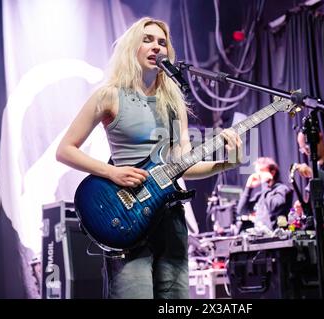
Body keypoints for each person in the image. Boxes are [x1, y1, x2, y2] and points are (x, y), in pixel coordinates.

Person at [56, 17, 243, 299]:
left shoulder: (173, 101)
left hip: (170, 218)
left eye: (162, 42)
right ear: (132, 47)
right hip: (127, 217)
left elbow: (181, 165)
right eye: (148, 39)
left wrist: (226, 162)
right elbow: (65, 149)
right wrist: (111, 172)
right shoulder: (110, 95)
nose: (156, 46)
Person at [236, 157, 293, 231]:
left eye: (261, 171)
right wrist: (248, 188)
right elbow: (241, 210)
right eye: (257, 172)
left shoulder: (282, 189)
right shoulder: (261, 195)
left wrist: (264, 183)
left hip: (277, 237)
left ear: (272, 172)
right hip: (261, 236)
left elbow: (272, 207)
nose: (258, 175)